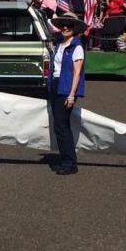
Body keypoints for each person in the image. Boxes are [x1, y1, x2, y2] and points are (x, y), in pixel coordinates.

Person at [47, 12, 86, 175]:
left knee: (62, 127)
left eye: (69, 25)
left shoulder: (76, 47)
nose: (65, 27)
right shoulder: (60, 44)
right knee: (58, 126)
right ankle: (65, 160)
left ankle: (70, 164)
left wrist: (71, 95)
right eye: (63, 24)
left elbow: (77, 73)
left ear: (75, 28)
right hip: (55, 85)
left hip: (66, 88)